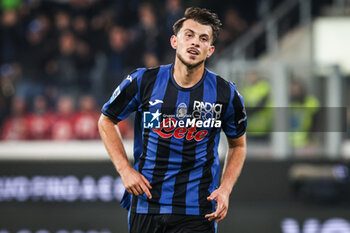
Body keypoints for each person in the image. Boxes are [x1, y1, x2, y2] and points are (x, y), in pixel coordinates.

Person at [98, 7, 247, 233]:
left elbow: (238, 145)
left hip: (198, 209)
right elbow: (106, 120)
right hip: (147, 205)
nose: (195, 42)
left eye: (203, 38)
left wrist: (225, 189)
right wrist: (125, 170)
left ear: (210, 50)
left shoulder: (226, 94)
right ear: (174, 41)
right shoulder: (143, 81)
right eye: (189, 35)